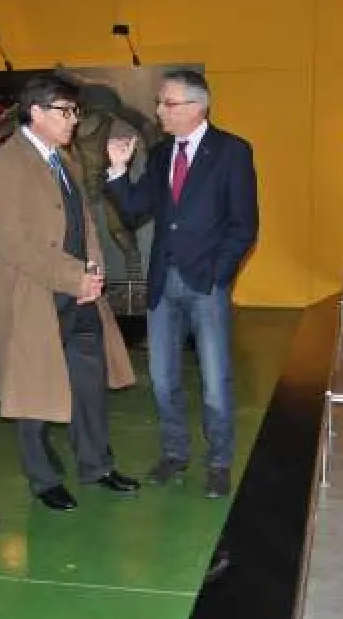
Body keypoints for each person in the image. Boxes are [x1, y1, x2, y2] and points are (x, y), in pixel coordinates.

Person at [0, 74, 139, 512]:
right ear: (36, 112)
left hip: (80, 294)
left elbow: (84, 223)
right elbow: (12, 242)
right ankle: (43, 478)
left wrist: (93, 270)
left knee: (89, 383)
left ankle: (96, 465)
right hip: (37, 296)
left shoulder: (63, 161)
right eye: (65, 112)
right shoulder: (3, 165)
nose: (73, 120)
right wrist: (73, 277)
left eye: (75, 111)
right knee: (33, 392)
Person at [104, 69, 258, 498]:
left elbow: (244, 226)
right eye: (159, 102)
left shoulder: (232, 152)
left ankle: (220, 460)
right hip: (162, 285)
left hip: (206, 284)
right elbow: (135, 209)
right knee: (162, 378)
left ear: (197, 107)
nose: (159, 111)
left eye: (167, 103)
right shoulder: (158, 155)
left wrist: (218, 275)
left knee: (215, 382)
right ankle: (175, 452)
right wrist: (117, 171)